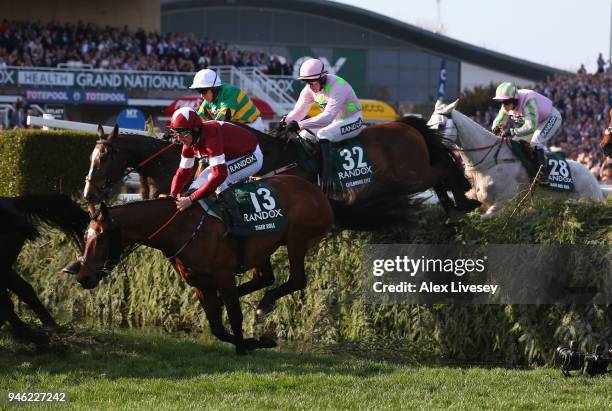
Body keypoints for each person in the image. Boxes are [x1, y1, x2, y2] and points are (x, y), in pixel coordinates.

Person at [168, 107, 263, 236]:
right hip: (231, 157)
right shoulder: (189, 144)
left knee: (219, 181)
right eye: (175, 134)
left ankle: (239, 225)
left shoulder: (211, 137)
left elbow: (220, 175)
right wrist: (173, 195)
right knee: (196, 184)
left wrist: (191, 199)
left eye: (183, 134)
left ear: (195, 130)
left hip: (252, 156)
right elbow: (182, 173)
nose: (179, 139)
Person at [281, 58, 363, 188]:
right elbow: (298, 112)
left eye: (312, 82)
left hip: (352, 120)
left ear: (322, 78)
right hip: (334, 122)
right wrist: (285, 121)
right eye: (306, 82)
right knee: (303, 136)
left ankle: (327, 179)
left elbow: (327, 117)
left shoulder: (338, 85)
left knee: (324, 134)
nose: (310, 86)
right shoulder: (309, 89)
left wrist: (300, 124)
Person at [491, 81, 562, 180]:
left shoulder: (528, 99)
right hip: (536, 121)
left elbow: (530, 127)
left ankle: (544, 175)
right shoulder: (507, 105)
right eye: (501, 102)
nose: (504, 106)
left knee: (536, 142)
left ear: (515, 100)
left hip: (550, 118)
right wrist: (496, 128)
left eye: (506, 102)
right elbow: (500, 120)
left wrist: (511, 131)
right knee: (514, 143)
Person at [189, 68, 265, 132]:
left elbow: (221, 121)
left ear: (214, 88)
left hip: (253, 127)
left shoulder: (230, 92)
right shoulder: (209, 100)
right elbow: (198, 118)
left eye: (203, 91)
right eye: (199, 92)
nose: (201, 96)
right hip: (239, 128)